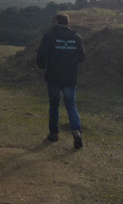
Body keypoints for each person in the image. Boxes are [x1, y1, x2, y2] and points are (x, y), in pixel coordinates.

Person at [36, 13, 86, 149]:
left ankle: (54, 133)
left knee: (54, 104)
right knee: (71, 105)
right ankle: (76, 131)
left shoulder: (50, 35)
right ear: (68, 23)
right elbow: (82, 57)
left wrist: (41, 65)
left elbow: (42, 53)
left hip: (53, 76)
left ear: (56, 23)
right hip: (70, 77)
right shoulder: (76, 37)